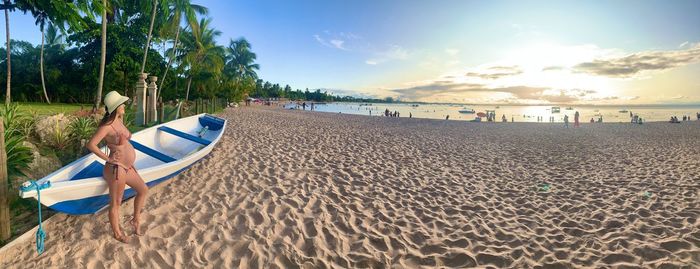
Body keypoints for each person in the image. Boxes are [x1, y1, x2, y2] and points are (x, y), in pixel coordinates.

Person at [86, 91, 149, 243]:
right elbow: (91, 145)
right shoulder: (106, 126)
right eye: (122, 104)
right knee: (116, 203)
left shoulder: (119, 120)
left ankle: (135, 220)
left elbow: (124, 143)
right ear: (116, 107)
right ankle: (117, 233)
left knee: (143, 190)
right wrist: (108, 158)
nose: (124, 105)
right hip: (116, 169)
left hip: (127, 167)